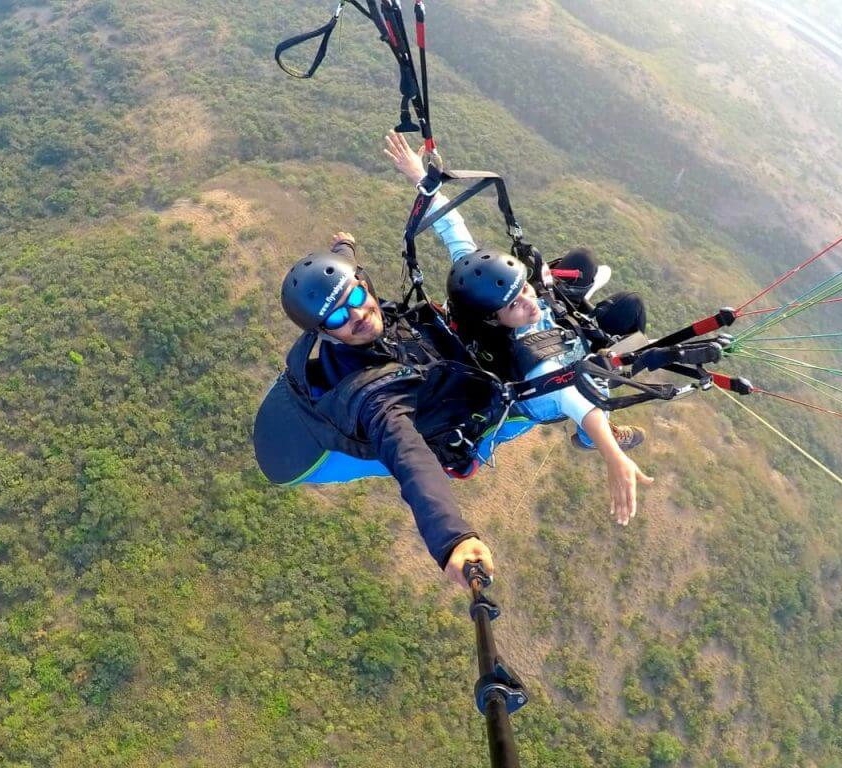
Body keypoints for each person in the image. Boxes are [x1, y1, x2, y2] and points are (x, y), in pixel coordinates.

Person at [267, 133, 498, 589]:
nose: (357, 313)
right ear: (321, 333)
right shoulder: (375, 399)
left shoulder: (360, 304)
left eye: (356, 294)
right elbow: (410, 461)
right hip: (428, 416)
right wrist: (453, 541)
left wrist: (343, 247)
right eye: (337, 315)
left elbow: (345, 273)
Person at [445, 248, 655, 527]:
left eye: (523, 289)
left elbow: (462, 246)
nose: (527, 300)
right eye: (513, 303)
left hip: (551, 335)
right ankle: (590, 438)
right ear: (494, 319)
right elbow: (577, 401)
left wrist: (433, 204)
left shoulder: (494, 298)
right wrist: (613, 456)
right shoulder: (536, 366)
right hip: (547, 392)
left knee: (619, 292)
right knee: (599, 377)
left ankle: (577, 303)